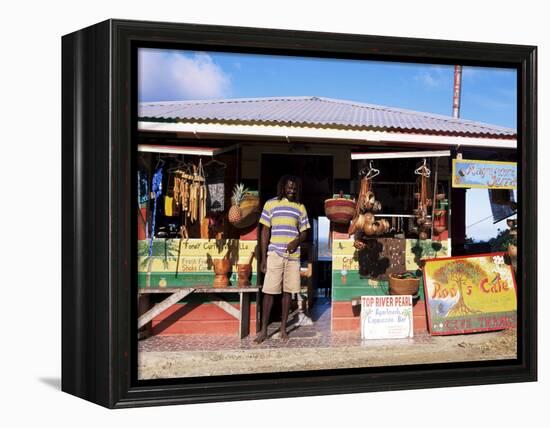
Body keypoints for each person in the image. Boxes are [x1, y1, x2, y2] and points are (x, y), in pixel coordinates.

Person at [254, 175, 310, 343]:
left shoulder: (300, 207)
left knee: (287, 293)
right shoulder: (270, 204)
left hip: (292, 257)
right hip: (274, 254)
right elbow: (264, 232)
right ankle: (264, 330)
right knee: (269, 292)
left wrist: (296, 241)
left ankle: (284, 329)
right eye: (289, 187)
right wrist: (263, 258)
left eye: (294, 188)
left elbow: (305, 232)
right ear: (282, 187)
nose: (292, 190)